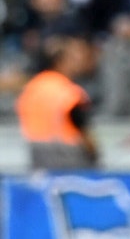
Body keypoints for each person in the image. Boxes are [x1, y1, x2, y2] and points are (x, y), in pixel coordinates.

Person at [17, 34, 97, 170]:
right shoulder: (68, 90)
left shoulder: (32, 87)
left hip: (37, 153)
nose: (78, 62)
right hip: (69, 155)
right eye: (72, 58)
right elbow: (81, 127)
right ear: (60, 61)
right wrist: (94, 153)